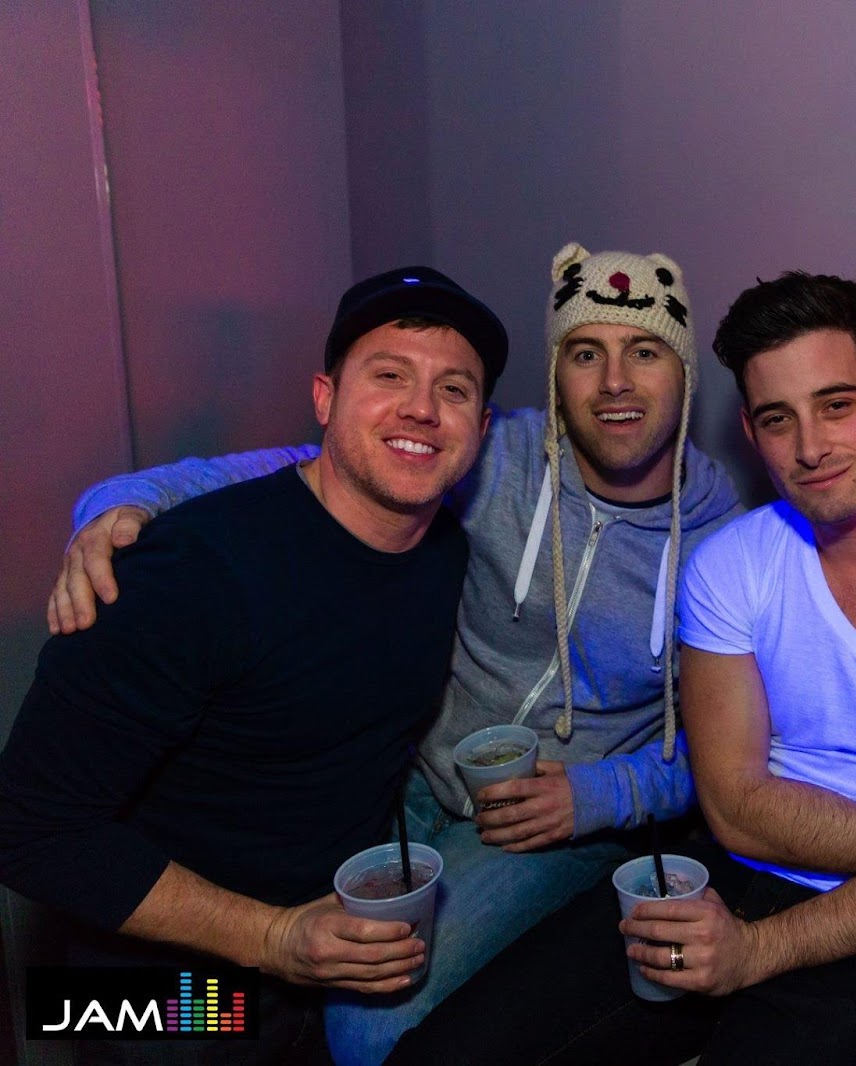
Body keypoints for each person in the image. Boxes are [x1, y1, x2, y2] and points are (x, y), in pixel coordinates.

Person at [41, 244, 741, 1063]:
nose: (615, 381)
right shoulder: (195, 574)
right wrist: (121, 504)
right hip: (186, 930)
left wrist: (600, 795)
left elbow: (733, 758)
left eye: (646, 351)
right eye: (585, 353)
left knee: (350, 1020)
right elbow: (36, 829)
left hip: (519, 831)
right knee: (165, 1016)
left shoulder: (721, 547)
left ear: (686, 373)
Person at [389, 271, 856, 1066]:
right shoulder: (731, 565)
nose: (809, 447)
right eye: (778, 419)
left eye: (836, 405)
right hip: (725, 873)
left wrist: (762, 948)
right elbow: (736, 807)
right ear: (750, 429)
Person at [0, 266, 506, 1063]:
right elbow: (27, 829)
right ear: (324, 398)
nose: (421, 407)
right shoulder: (186, 575)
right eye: (388, 375)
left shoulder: (442, 550)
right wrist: (272, 938)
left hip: (321, 966)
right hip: (148, 994)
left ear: (481, 426)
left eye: (454, 389)